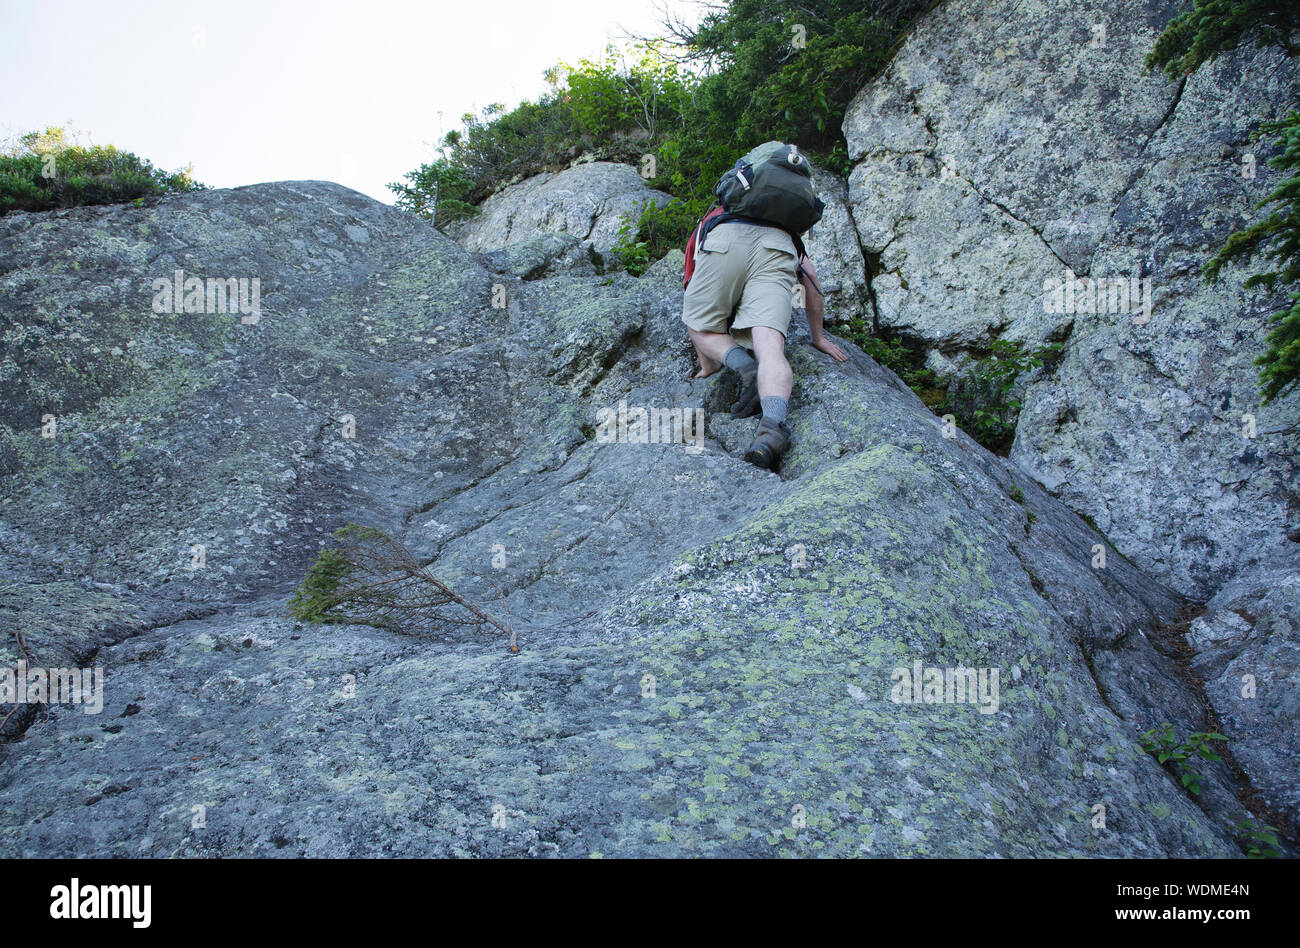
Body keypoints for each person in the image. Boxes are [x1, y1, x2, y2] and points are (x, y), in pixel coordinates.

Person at [682, 221, 846, 469]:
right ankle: (770, 432)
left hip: (722, 245)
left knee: (697, 324)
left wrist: (708, 364)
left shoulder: (713, 220)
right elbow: (810, 277)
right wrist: (818, 337)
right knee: (770, 347)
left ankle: (745, 366)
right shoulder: (780, 220)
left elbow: (692, 296)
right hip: (775, 250)